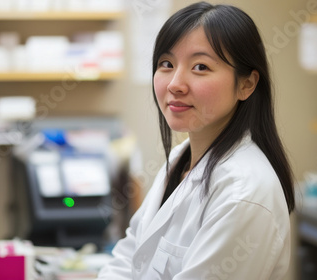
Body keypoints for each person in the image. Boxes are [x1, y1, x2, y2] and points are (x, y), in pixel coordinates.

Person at [97, 2, 295, 279]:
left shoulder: (246, 193)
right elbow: (129, 256)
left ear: (246, 84)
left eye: (200, 67)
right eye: (166, 64)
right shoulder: (182, 159)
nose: (175, 84)